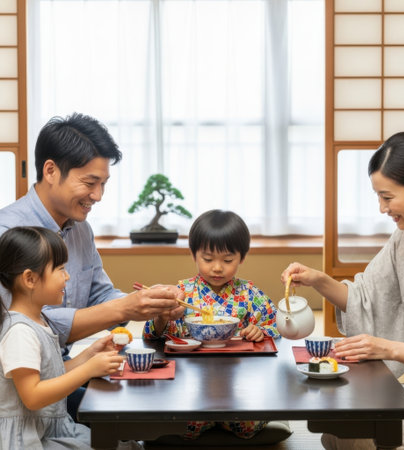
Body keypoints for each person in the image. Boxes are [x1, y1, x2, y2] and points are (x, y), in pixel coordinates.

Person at [0, 113, 185, 421]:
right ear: (50, 170)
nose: (98, 196)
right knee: (131, 419)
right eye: (90, 183)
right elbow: (19, 322)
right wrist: (124, 309)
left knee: (155, 405)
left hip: (63, 370)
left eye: (103, 184)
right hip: (19, 394)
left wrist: (149, 305)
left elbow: (101, 293)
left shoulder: (80, 229)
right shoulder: (8, 233)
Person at [281, 131, 404, 450]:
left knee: (357, 436)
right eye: (378, 197)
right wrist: (318, 279)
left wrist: (388, 349)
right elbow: (368, 300)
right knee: (337, 425)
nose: (382, 208)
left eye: (388, 197)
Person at [143, 209, 279, 440]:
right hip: (191, 381)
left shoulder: (249, 294)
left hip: (238, 382)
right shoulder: (181, 292)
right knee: (185, 426)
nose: (217, 267)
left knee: (247, 427)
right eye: (208, 259)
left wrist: (260, 331)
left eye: (227, 260)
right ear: (194, 255)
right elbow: (151, 336)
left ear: (242, 258)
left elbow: (274, 326)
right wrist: (162, 317)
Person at [0, 226, 125, 449]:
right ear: (30, 279)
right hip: (29, 440)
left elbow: (50, 375)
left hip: (51, 429)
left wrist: (89, 355)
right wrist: (89, 370)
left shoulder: (39, 321)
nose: (67, 276)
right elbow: (33, 396)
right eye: (60, 269)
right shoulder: (20, 331)